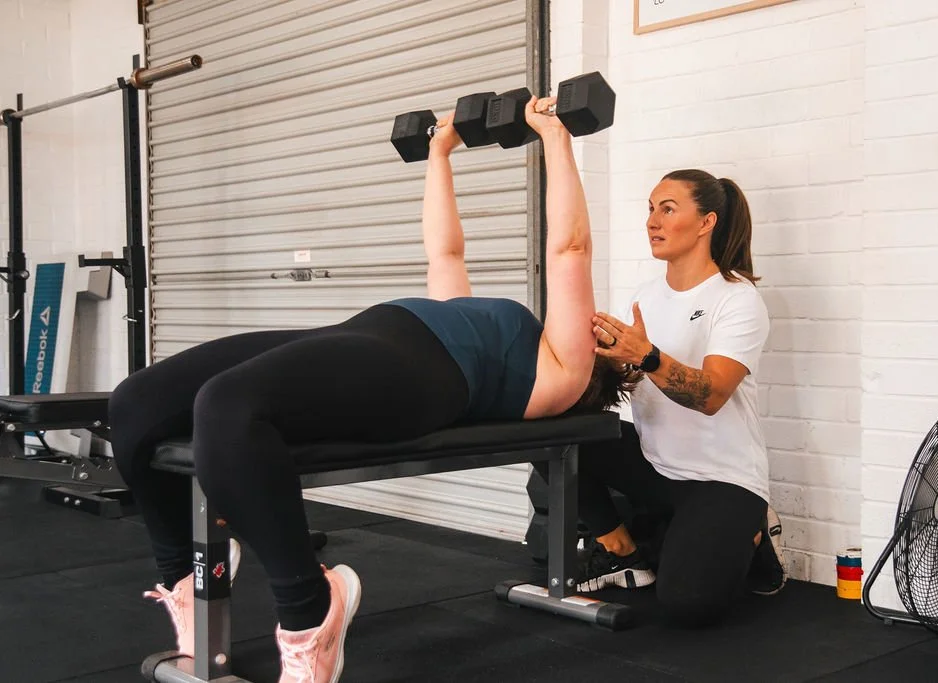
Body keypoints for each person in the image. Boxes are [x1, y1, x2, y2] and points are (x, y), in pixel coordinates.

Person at [107, 96, 637, 683]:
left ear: (602, 364)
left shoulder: (565, 372)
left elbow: (569, 251)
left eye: (607, 334)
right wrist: (441, 153)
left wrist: (557, 138)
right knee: (136, 401)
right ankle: (187, 576)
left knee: (227, 405)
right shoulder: (516, 336)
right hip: (368, 333)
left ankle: (312, 611)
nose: (597, 321)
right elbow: (447, 251)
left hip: (417, 373)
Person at [537, 168, 786, 628]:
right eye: (650, 209)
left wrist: (646, 355)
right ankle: (624, 553)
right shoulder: (645, 297)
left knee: (689, 605)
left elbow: (710, 395)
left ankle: (753, 536)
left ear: (706, 222)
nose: (652, 221)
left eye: (668, 209)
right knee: (549, 430)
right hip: (656, 466)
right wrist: (606, 363)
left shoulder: (736, 299)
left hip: (722, 481)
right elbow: (630, 383)